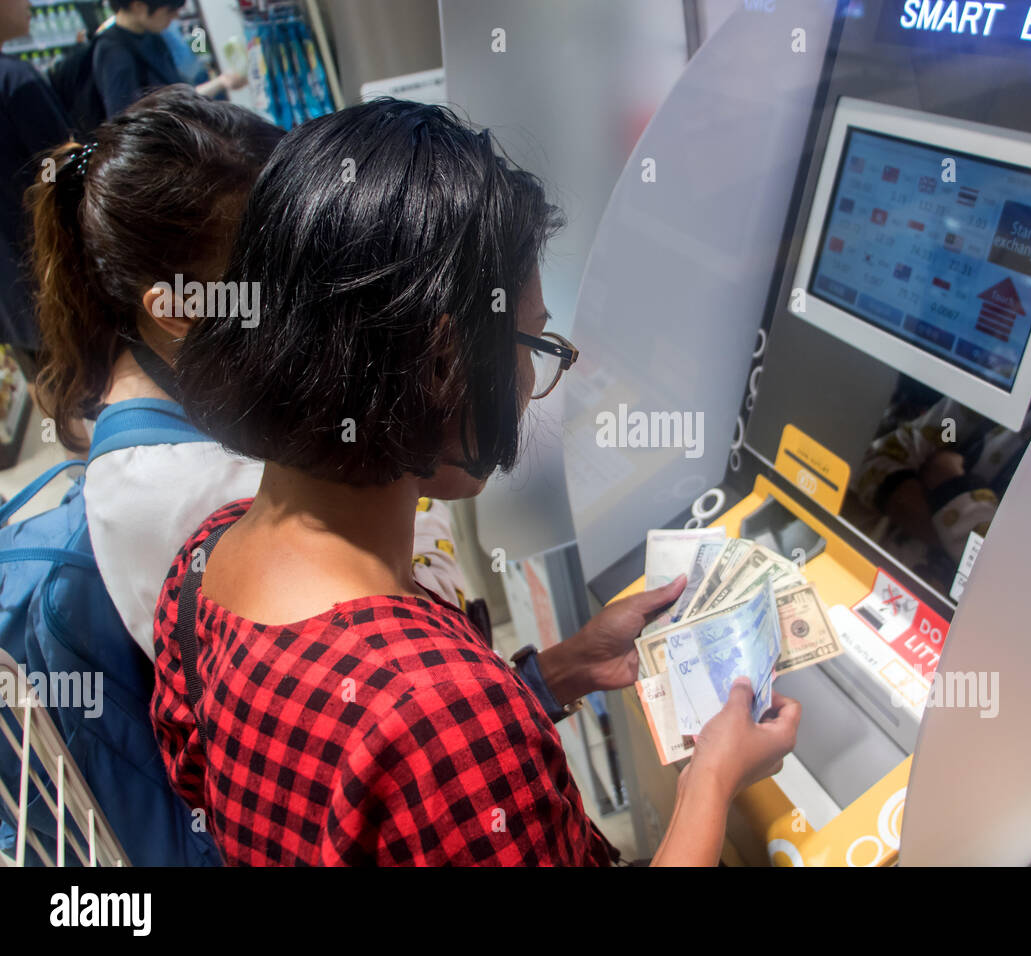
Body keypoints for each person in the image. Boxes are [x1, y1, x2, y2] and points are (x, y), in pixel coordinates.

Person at [159, 99, 801, 866]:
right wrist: (712, 781)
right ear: (442, 363)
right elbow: (430, 741)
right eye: (533, 340)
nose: (536, 376)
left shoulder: (202, 568)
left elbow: (394, 809)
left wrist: (558, 672)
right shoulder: (438, 711)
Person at [25, 86, 467, 659]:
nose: (326, 299)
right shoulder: (197, 489)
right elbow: (410, 628)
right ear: (179, 308)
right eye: (285, 280)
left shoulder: (163, 381)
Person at [0, 0, 69, 362]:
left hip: (10, 293)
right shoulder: (14, 79)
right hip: (50, 265)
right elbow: (61, 169)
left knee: (46, 380)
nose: (27, 4)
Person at [93, 0, 245, 120]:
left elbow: (174, 94)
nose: (175, 17)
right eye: (170, 11)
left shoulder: (152, 35)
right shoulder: (114, 52)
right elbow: (124, 120)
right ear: (139, 6)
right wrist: (220, 83)